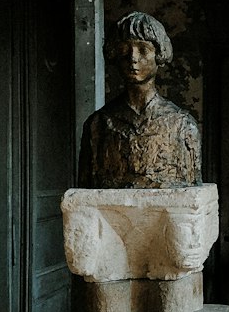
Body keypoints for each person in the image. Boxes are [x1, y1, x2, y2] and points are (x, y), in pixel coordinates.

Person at [77, 11, 201, 190]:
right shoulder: (99, 123)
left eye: (143, 49)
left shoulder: (182, 125)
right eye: (124, 50)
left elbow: (192, 195)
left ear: (159, 54)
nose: (133, 58)